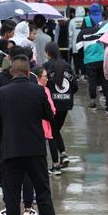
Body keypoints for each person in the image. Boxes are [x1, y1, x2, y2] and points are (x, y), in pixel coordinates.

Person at [0, 56, 61, 215]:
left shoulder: (1, 94)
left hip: (10, 150)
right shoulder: (38, 91)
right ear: (28, 73)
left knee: (12, 196)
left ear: (12, 72)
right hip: (35, 150)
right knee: (43, 193)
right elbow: (49, 116)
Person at [43, 42, 78, 175]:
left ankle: (57, 162)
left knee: (52, 132)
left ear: (47, 53)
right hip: (65, 105)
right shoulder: (67, 66)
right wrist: (67, 96)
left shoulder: (46, 67)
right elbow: (75, 85)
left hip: (52, 104)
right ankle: (63, 154)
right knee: (55, 130)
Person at [77, 12, 108, 113]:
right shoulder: (99, 30)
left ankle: (93, 102)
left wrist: (84, 57)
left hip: (89, 61)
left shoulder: (81, 33)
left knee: (92, 82)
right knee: (105, 81)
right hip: (102, 60)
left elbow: (79, 49)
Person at [68, 7, 86, 79]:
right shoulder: (86, 20)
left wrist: (70, 45)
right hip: (84, 44)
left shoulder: (72, 21)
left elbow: (70, 35)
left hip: (75, 44)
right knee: (83, 59)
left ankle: (77, 74)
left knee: (76, 61)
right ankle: (84, 74)